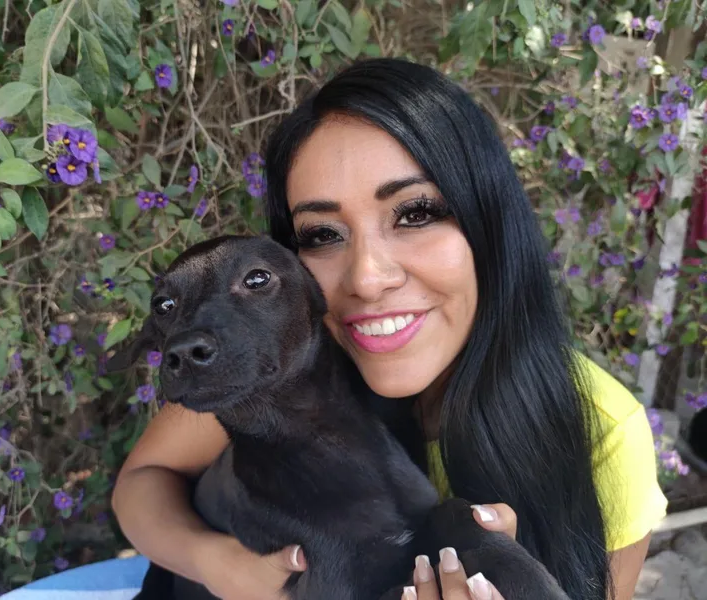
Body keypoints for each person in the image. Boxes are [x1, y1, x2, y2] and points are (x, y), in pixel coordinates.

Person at [112, 58, 667, 600]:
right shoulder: (286, 364)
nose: (368, 278)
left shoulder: (601, 433)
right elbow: (142, 482)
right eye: (323, 235)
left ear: (489, 222)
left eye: (416, 213)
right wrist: (215, 563)